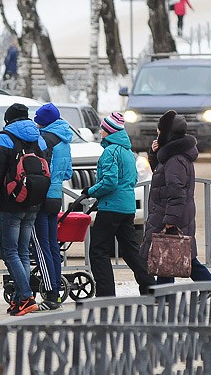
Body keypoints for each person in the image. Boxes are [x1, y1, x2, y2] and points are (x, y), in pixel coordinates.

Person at [82, 112, 155, 297]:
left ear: (109, 131)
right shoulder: (128, 153)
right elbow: (131, 179)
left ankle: (106, 294)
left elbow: (109, 182)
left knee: (98, 251)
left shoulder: (110, 152)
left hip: (111, 208)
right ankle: (150, 288)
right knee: (130, 251)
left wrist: (90, 191)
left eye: (102, 128)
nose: (100, 131)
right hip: (127, 208)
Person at [141, 111, 211, 284]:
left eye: (159, 132)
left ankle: (207, 285)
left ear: (168, 134)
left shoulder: (175, 160)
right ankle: (166, 294)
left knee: (176, 253)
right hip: (167, 212)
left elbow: (176, 190)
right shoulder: (171, 156)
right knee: (167, 254)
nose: (157, 136)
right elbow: (159, 171)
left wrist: (171, 219)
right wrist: (153, 153)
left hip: (171, 215)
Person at [0, 103, 48, 316]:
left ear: (8, 119)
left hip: (11, 202)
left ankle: (26, 296)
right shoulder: (39, 138)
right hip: (34, 201)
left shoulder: (3, 138)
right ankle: (19, 299)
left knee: (10, 252)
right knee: (23, 252)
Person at [32, 103, 73, 310]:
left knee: (41, 246)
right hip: (56, 197)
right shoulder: (65, 139)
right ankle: (56, 288)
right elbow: (68, 173)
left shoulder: (43, 139)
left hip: (42, 195)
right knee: (52, 244)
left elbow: (39, 169)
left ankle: (51, 293)